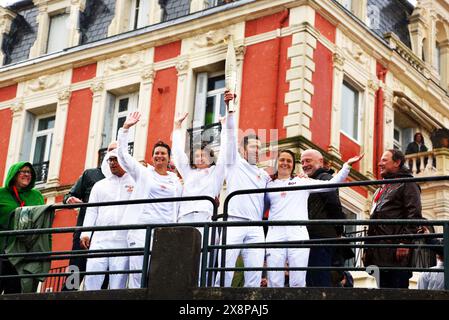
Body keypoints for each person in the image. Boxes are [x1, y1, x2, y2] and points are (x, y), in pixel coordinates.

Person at [264, 150, 362, 287]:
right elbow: (261, 209)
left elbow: (331, 185)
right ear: (276, 162)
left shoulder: (301, 181)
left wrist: (346, 166)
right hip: (275, 234)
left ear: (293, 165)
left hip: (298, 234)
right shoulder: (268, 184)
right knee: (274, 281)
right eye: (282, 160)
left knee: (298, 281)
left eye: (289, 161)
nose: (285, 163)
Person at [117, 111, 182, 289]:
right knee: (138, 275)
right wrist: (125, 128)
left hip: (165, 232)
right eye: (156, 153)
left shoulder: (176, 180)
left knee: (160, 277)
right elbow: (122, 155)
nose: (159, 156)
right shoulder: (143, 173)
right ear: (152, 157)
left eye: (163, 153)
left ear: (169, 158)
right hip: (141, 231)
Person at [214, 92, 271, 288]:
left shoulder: (264, 175)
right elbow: (230, 136)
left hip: (256, 228)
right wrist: (230, 109)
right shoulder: (234, 163)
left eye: (259, 148)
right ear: (243, 150)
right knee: (224, 271)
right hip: (234, 223)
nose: (256, 151)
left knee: (254, 277)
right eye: (252, 147)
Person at [62, 141, 117, 291]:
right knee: (73, 278)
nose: (112, 154)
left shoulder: (124, 178)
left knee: (102, 282)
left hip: (108, 238)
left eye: (117, 150)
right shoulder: (91, 174)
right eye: (110, 150)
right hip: (83, 233)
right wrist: (70, 200)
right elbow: (69, 195)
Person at [363, 149, 422, 288]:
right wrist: (367, 249)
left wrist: (404, 242)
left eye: (384, 160)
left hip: (395, 253)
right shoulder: (387, 186)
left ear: (397, 162)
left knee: (396, 291)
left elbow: (414, 214)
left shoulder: (408, 184)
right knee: (383, 291)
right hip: (380, 251)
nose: (379, 164)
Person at [80, 150, 135, 290]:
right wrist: (85, 233)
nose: (112, 163)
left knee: (118, 283)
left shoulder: (135, 182)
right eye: (110, 160)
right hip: (100, 239)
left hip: (123, 241)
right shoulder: (100, 185)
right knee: (92, 277)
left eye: (115, 159)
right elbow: (92, 210)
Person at [300, 149, 347, 287]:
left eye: (308, 160)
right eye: (302, 161)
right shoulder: (308, 180)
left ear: (320, 162)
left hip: (320, 235)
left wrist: (339, 229)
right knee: (312, 277)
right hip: (315, 235)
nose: (304, 164)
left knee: (318, 279)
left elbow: (334, 204)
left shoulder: (324, 178)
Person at [0, 162, 44, 294]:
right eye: (23, 171)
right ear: (13, 174)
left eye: (29, 172)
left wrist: (45, 252)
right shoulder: (1, 194)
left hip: (25, 254)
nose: (26, 174)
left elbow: (43, 223)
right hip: (3, 251)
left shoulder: (36, 196)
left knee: (15, 292)